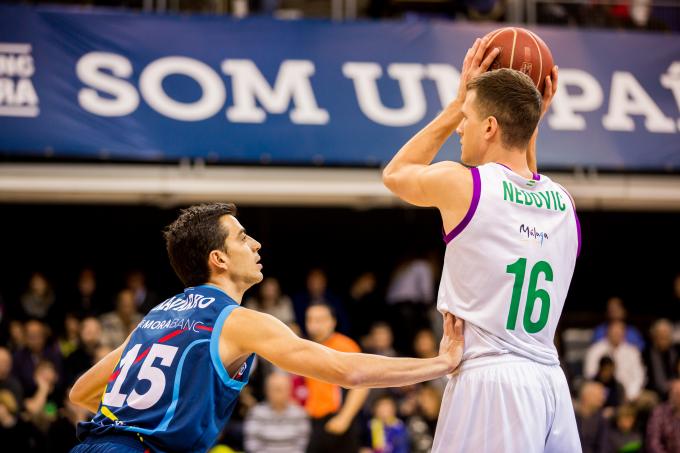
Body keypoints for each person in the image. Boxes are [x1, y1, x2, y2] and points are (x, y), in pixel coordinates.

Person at [69, 203, 464, 453]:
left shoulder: (155, 318)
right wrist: (441, 363)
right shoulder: (237, 321)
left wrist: (137, 425)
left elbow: (82, 391)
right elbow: (348, 371)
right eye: (243, 237)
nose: (256, 243)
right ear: (219, 259)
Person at [382, 35, 580, 452]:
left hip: (491, 380)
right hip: (550, 385)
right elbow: (525, 180)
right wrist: (529, 117)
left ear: (490, 126)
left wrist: (458, 100)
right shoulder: (562, 203)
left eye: (467, 118)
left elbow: (397, 173)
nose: (459, 127)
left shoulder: (465, 185)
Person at [304, 302, 369, 453]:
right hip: (313, 420)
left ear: (332, 322)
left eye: (320, 320)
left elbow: (363, 384)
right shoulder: (305, 346)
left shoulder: (344, 346)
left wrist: (344, 418)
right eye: (310, 319)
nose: (314, 325)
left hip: (337, 419)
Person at [243, 372, 310, 453]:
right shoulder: (256, 413)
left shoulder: (299, 413)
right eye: (276, 389)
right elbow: (252, 443)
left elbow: (302, 444)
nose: (279, 394)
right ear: (267, 391)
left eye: (283, 389)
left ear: (290, 390)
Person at [584, 320, 646, 401]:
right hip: (602, 393)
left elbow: (639, 376)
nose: (616, 335)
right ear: (607, 333)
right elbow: (590, 374)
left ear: (624, 334)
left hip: (630, 394)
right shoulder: (595, 350)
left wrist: (631, 394)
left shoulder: (632, 351)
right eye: (614, 332)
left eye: (619, 332)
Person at [646, 378, 680, 453]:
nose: (678, 397)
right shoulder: (659, 412)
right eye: (676, 393)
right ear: (670, 394)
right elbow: (653, 443)